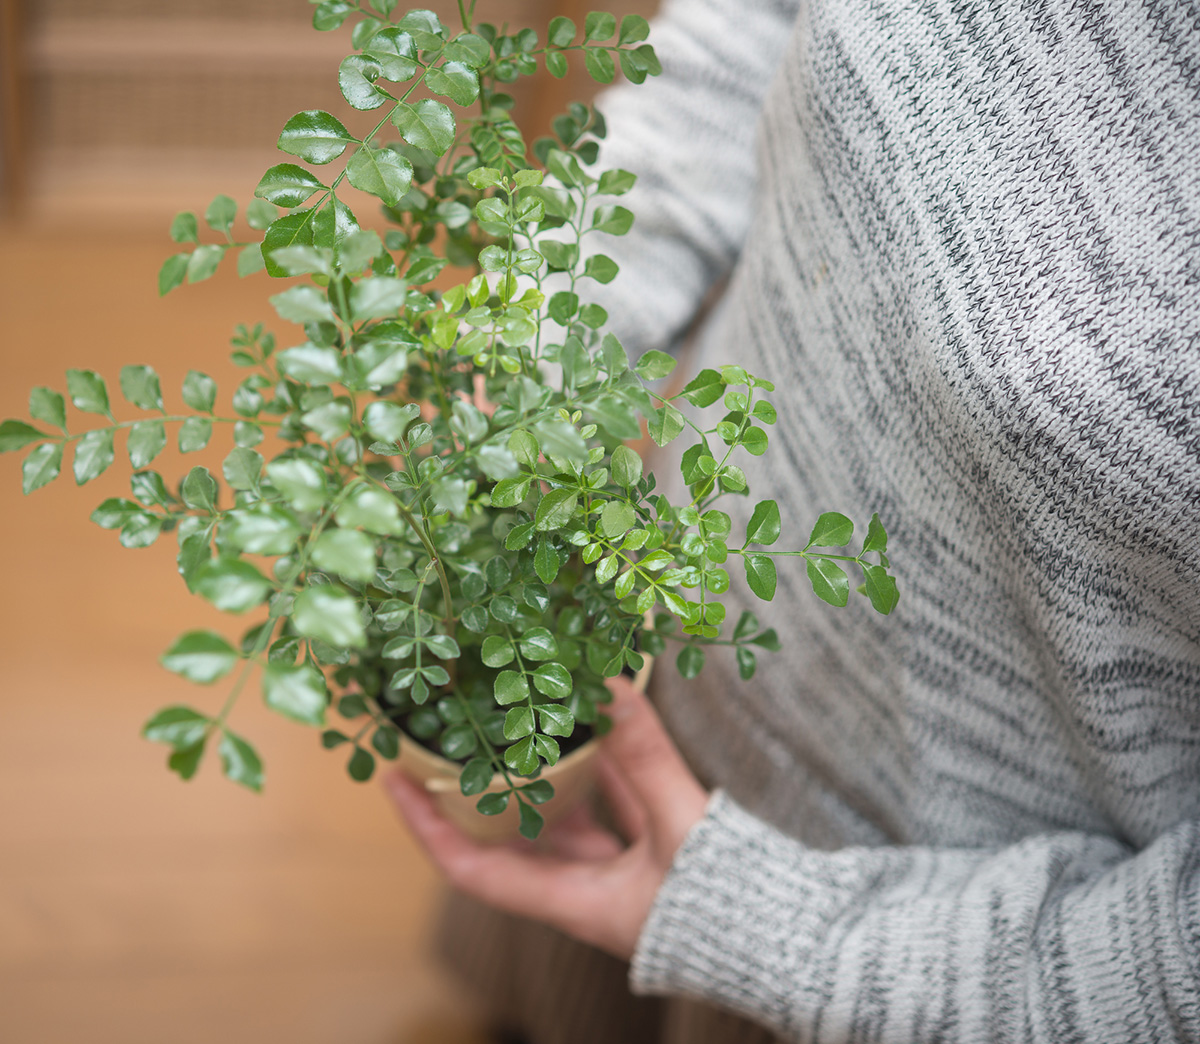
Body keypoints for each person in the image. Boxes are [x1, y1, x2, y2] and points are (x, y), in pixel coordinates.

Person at [387, 0, 1200, 1039]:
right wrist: (534, 360)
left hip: (924, 944)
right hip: (644, 681)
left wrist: (783, 938)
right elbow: (741, 34)